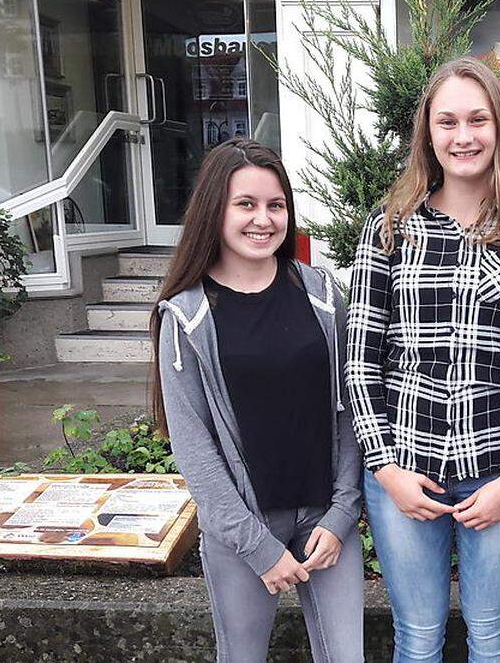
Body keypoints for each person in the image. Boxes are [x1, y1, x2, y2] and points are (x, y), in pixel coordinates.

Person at [346, 57, 500, 662]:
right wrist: (386, 469)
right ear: (428, 133)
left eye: (477, 119)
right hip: (404, 473)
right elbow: (362, 359)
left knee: (491, 636)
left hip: (499, 475)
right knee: (417, 639)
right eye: (447, 121)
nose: (463, 135)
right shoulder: (390, 229)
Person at [151, 138, 363, 662]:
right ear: (214, 211)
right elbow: (195, 449)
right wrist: (260, 548)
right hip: (244, 531)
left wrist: (341, 515)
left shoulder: (321, 293)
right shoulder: (186, 317)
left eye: (276, 205)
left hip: (324, 522)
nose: (263, 219)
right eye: (245, 204)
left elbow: (350, 409)